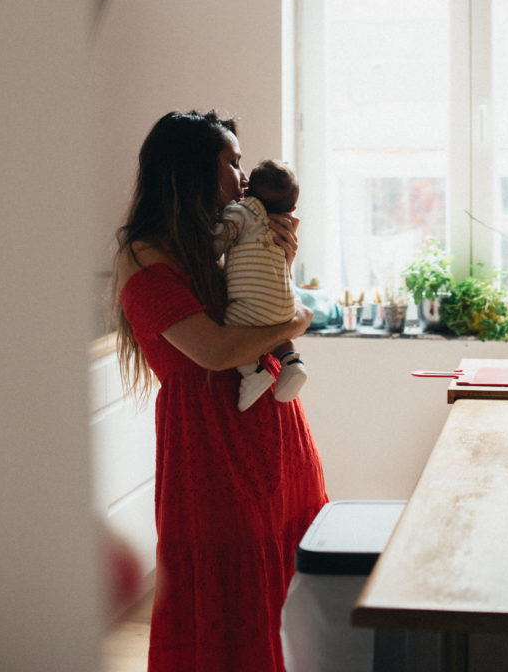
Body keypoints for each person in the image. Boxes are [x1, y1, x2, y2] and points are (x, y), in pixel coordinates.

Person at [114, 110, 327, 672]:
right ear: (192, 172)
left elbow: (252, 308)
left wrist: (279, 261)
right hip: (210, 447)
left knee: (285, 589)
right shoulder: (144, 260)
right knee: (227, 596)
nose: (242, 175)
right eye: (232, 163)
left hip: (273, 431)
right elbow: (216, 351)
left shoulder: (206, 243)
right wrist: (297, 321)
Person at [214, 159, 308, 412]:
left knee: (235, 324)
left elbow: (220, 237)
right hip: (286, 305)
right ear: (293, 207)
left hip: (255, 309)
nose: (241, 174)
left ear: (247, 192)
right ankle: (291, 361)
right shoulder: (282, 226)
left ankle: (253, 372)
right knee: (274, 325)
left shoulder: (241, 211)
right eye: (233, 163)